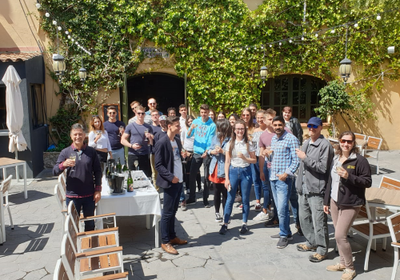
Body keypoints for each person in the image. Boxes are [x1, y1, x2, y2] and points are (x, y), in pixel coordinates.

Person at [324, 131, 372, 280]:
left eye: (349, 142)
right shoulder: (336, 158)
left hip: (351, 203)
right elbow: (330, 181)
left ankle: (350, 268)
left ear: (353, 143)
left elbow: (367, 182)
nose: (346, 144)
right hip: (334, 200)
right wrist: (326, 201)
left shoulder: (360, 161)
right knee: (339, 237)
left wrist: (348, 176)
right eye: (343, 141)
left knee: (340, 235)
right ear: (339, 141)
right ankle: (343, 263)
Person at [295, 117, 334, 263]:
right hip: (303, 187)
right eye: (309, 126)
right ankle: (312, 242)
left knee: (319, 222)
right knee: (304, 218)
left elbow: (323, 168)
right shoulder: (306, 143)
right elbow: (301, 167)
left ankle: (322, 250)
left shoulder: (325, 145)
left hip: (316, 189)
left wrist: (305, 157)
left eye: (314, 126)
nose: (311, 128)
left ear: (320, 128)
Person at [53, 123, 102, 231]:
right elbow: (55, 171)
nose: (78, 137)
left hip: (89, 194)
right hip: (72, 195)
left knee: (90, 223)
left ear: (85, 135)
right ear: (71, 136)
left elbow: (98, 171)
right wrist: (63, 164)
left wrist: (97, 190)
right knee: (73, 225)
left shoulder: (91, 152)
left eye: (80, 134)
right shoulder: (65, 152)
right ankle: (76, 247)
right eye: (75, 134)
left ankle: (89, 246)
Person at [155, 116, 188, 255]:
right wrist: (171, 177)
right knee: (167, 213)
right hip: (170, 182)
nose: (179, 128)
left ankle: (172, 236)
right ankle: (165, 241)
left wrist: (183, 156)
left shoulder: (177, 140)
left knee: (173, 211)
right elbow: (158, 165)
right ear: (169, 126)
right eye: (176, 126)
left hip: (179, 180)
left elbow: (176, 158)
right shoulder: (162, 142)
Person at [219, 119, 256, 235]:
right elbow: (227, 161)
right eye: (238, 129)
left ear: (244, 130)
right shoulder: (230, 143)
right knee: (230, 199)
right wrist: (227, 179)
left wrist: (245, 158)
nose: (240, 131)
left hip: (246, 171)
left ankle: (244, 223)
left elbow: (254, 160)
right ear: (234, 130)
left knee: (245, 199)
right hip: (233, 171)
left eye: (242, 128)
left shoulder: (248, 143)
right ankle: (225, 223)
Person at [268, 116, 300, 249]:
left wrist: (286, 173)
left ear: (283, 125)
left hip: (284, 179)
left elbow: (296, 160)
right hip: (273, 178)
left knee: (282, 209)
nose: (277, 127)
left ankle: (283, 235)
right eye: (275, 125)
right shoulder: (274, 138)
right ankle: (287, 232)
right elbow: (276, 157)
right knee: (280, 207)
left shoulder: (291, 139)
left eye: (279, 125)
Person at [186, 104, 216, 206]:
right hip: (196, 152)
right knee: (192, 175)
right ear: (200, 112)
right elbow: (188, 135)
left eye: (205, 113)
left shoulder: (212, 125)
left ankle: (205, 199)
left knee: (207, 177)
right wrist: (191, 128)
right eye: (202, 112)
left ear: (208, 112)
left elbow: (210, 140)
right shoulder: (195, 122)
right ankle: (192, 198)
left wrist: (206, 151)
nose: (203, 114)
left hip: (206, 153)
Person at [208, 119, 231, 223]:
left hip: (225, 168)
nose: (218, 130)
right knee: (216, 191)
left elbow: (233, 154)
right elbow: (209, 149)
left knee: (225, 192)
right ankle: (217, 212)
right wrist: (211, 151)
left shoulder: (230, 139)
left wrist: (223, 151)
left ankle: (226, 213)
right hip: (216, 167)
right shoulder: (215, 137)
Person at [121, 105, 154, 177]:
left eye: (142, 113)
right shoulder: (130, 126)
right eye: (139, 113)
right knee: (132, 176)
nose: (140, 115)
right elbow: (122, 140)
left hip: (144, 154)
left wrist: (150, 137)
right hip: (133, 154)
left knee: (145, 176)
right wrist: (131, 146)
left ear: (145, 114)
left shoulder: (148, 127)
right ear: (135, 113)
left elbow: (151, 142)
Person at [251, 110, 267, 215]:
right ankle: (258, 201)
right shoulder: (254, 131)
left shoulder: (269, 131)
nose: (260, 120)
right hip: (255, 158)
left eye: (262, 117)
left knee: (264, 182)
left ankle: (266, 204)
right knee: (255, 180)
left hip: (264, 159)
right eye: (258, 118)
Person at [181, 115, 202, 195]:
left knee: (197, 171)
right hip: (187, 150)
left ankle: (199, 186)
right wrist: (185, 151)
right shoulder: (184, 130)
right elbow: (182, 140)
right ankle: (188, 187)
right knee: (188, 171)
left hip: (195, 150)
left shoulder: (197, 130)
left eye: (191, 121)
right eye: (188, 121)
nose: (190, 123)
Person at [150, 109, 162, 191]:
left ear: (159, 116)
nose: (155, 116)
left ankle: (164, 187)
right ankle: (156, 189)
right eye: (153, 115)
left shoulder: (162, 127)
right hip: (153, 152)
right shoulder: (149, 128)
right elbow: (149, 143)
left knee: (164, 170)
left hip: (163, 152)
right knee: (154, 172)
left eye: (156, 115)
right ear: (151, 117)